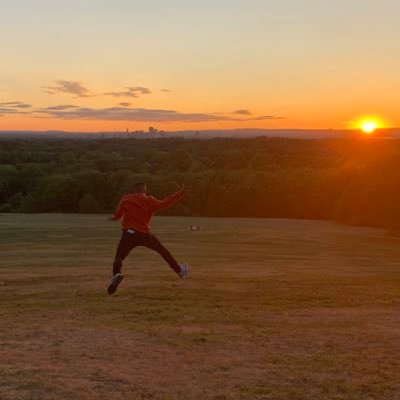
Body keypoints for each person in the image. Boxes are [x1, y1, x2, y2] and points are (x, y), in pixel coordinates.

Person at [107, 182, 190, 295]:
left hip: (128, 233)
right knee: (162, 250)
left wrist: (114, 218)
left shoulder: (126, 198)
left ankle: (116, 275)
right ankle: (179, 270)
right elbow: (165, 203)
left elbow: (118, 214)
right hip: (143, 234)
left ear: (134, 190)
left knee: (119, 257)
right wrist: (180, 193)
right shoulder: (149, 200)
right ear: (144, 190)